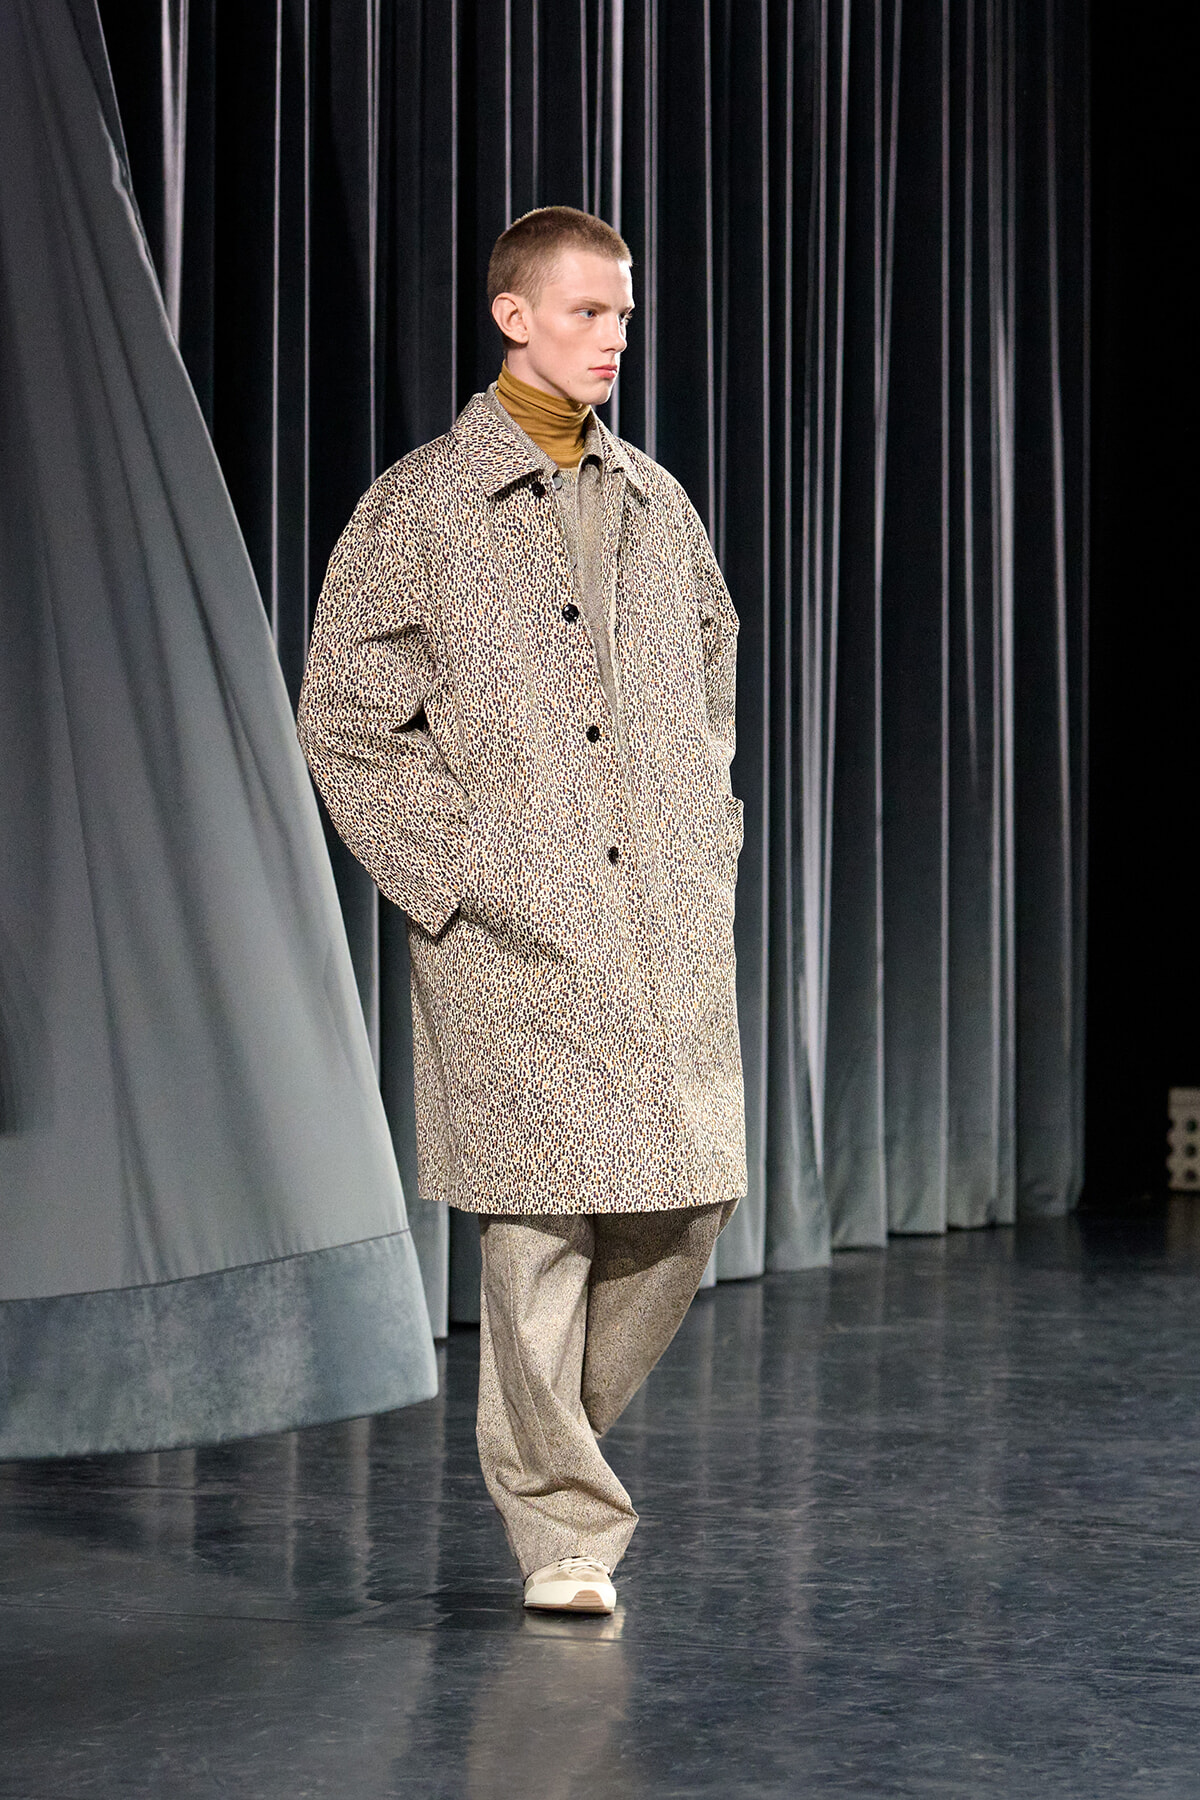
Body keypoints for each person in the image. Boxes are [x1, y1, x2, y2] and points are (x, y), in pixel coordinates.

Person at [297, 205, 746, 1615]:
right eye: (587, 312)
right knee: (540, 1229)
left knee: (688, 1202)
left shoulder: (658, 504)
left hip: (660, 927)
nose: (613, 339)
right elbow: (346, 723)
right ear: (513, 316)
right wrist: (465, 874)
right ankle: (563, 1533)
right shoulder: (420, 506)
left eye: (624, 317)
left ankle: (547, 1447)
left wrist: (706, 836)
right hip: (509, 937)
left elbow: (714, 684)